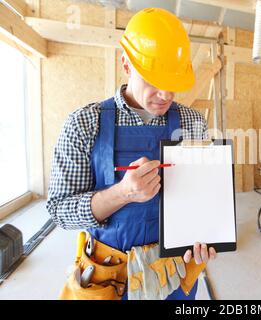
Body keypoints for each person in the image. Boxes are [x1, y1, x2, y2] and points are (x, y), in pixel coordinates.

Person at [47, 8, 216, 300]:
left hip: (173, 274)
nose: (165, 95)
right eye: (153, 80)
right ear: (126, 64)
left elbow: (203, 199)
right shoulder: (84, 123)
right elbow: (59, 211)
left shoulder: (193, 123)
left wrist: (207, 234)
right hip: (109, 277)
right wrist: (122, 193)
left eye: (173, 82)